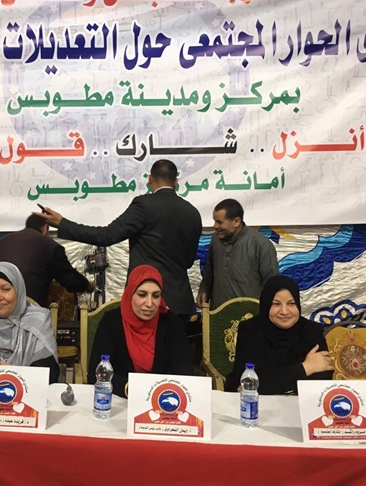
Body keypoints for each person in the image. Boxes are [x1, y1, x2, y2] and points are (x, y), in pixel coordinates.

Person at [38, 159, 202, 317]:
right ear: (176, 181)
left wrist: (63, 224)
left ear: (150, 179)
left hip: (146, 302)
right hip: (180, 303)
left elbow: (107, 235)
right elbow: (188, 262)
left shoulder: (144, 205)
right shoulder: (193, 212)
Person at [88, 265, 192, 397]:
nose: (149, 303)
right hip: (119, 400)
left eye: (156, 296)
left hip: (162, 399)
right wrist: (129, 389)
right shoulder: (111, 322)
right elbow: (96, 374)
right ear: (130, 293)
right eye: (142, 295)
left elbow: (185, 373)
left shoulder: (171, 323)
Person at [225, 275, 334, 394]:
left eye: (291, 303)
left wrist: (274, 381)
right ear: (266, 304)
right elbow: (251, 382)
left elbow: (322, 380)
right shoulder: (250, 330)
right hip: (257, 403)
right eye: (276, 304)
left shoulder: (312, 330)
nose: (284, 312)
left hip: (301, 403)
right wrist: (306, 368)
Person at [0, 214, 94, 308]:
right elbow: (70, 280)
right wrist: (87, 285)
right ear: (45, 228)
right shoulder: (49, 245)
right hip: (21, 310)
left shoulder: (3, 241)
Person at [197, 198, 279, 310]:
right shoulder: (215, 239)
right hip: (218, 313)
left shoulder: (261, 245)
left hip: (250, 315)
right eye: (215, 221)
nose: (215, 226)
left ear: (236, 221)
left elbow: (272, 284)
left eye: (219, 222)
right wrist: (204, 289)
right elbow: (210, 269)